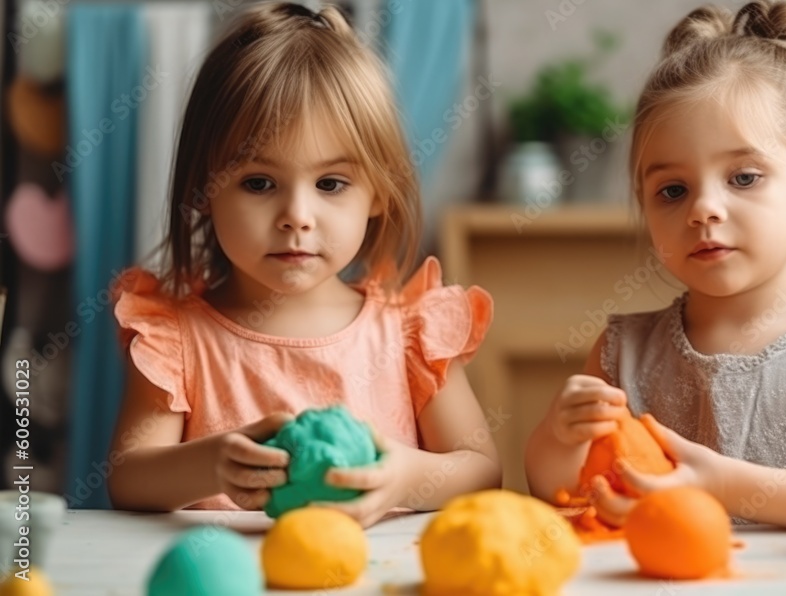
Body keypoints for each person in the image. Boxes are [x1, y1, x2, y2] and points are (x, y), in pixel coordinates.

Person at [525, 0, 786, 530]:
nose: (703, 209)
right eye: (672, 189)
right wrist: (559, 437)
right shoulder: (621, 351)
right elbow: (561, 489)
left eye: (743, 178)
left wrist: (722, 484)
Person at [106, 2, 500, 527]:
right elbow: (129, 479)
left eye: (331, 184)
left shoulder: (411, 334)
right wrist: (212, 465)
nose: (296, 217)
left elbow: (481, 470)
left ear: (379, 192)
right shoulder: (174, 337)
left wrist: (404, 477)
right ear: (204, 189)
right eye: (259, 183)